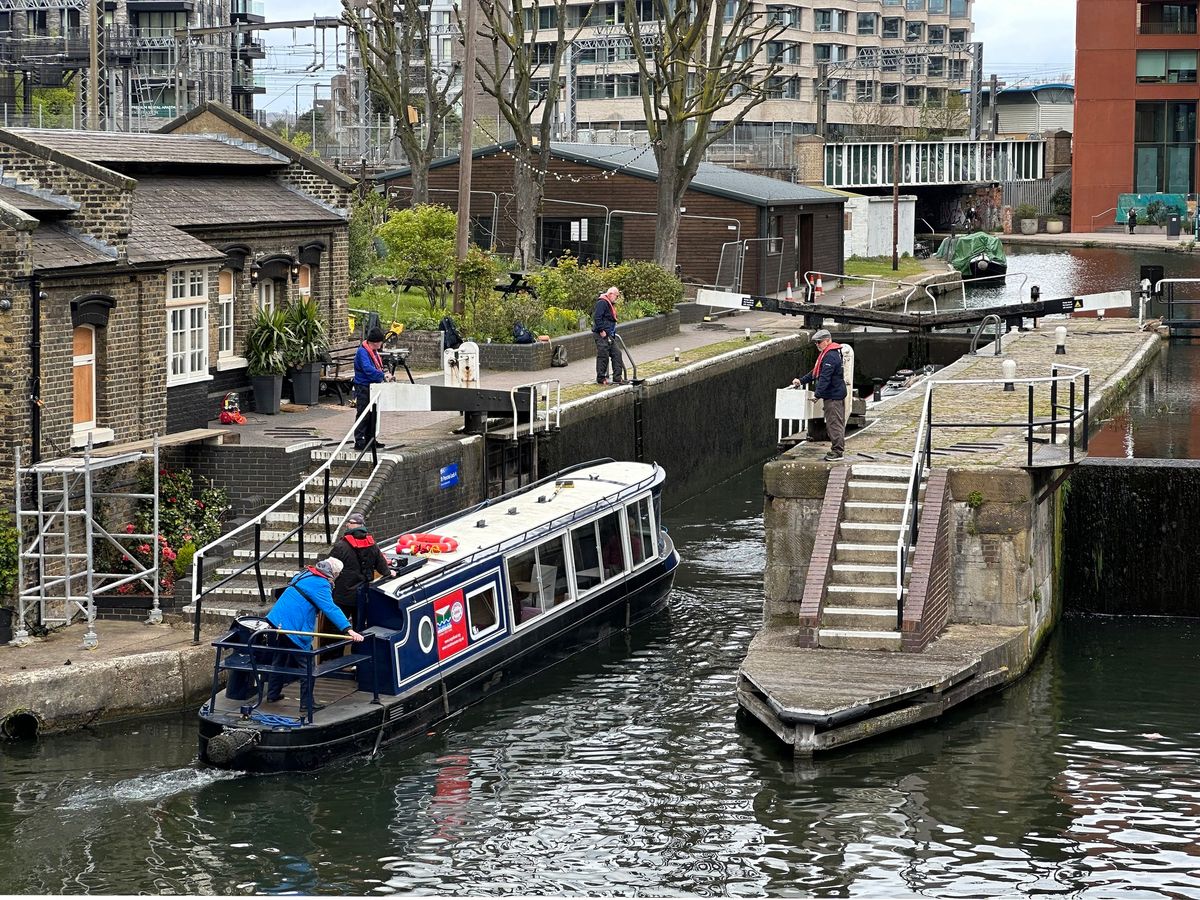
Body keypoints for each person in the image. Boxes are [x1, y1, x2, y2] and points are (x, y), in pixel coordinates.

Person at [265, 557, 364, 708]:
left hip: (275, 621)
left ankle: (272, 694)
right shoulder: (321, 584)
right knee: (308, 665)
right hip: (293, 626)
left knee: (279, 658)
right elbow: (330, 608)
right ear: (334, 573)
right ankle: (307, 704)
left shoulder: (304, 574)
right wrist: (348, 629)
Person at [792, 329, 847, 462]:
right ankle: (837, 449)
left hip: (833, 396)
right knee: (834, 422)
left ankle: (837, 451)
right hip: (833, 394)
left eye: (819, 342)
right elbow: (815, 373)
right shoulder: (828, 354)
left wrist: (817, 395)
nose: (817, 345)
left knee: (834, 423)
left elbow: (825, 378)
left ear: (828, 341)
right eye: (816, 343)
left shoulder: (830, 356)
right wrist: (801, 380)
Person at [330, 512, 389, 630]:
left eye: (349, 523)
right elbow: (383, 568)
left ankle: (336, 648)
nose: (347, 525)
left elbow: (330, 569)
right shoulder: (372, 544)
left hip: (343, 595)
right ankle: (358, 648)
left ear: (355, 525)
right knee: (360, 628)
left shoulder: (341, 546)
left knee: (338, 628)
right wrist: (390, 573)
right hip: (362, 595)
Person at [353, 327, 393, 451]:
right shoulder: (362, 352)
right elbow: (367, 368)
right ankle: (359, 441)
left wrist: (384, 373)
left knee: (373, 414)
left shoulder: (373, 351)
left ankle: (371, 439)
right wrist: (382, 375)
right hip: (363, 386)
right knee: (363, 413)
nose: (381, 344)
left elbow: (376, 367)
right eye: (381, 342)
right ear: (376, 342)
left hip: (373, 387)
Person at [592, 286, 625, 385]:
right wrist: (601, 330)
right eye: (616, 296)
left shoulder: (609, 303)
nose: (617, 298)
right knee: (603, 355)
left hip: (609, 334)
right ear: (610, 294)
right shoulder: (602, 302)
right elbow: (597, 317)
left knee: (617, 353)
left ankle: (617, 377)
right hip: (602, 334)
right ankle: (601, 378)